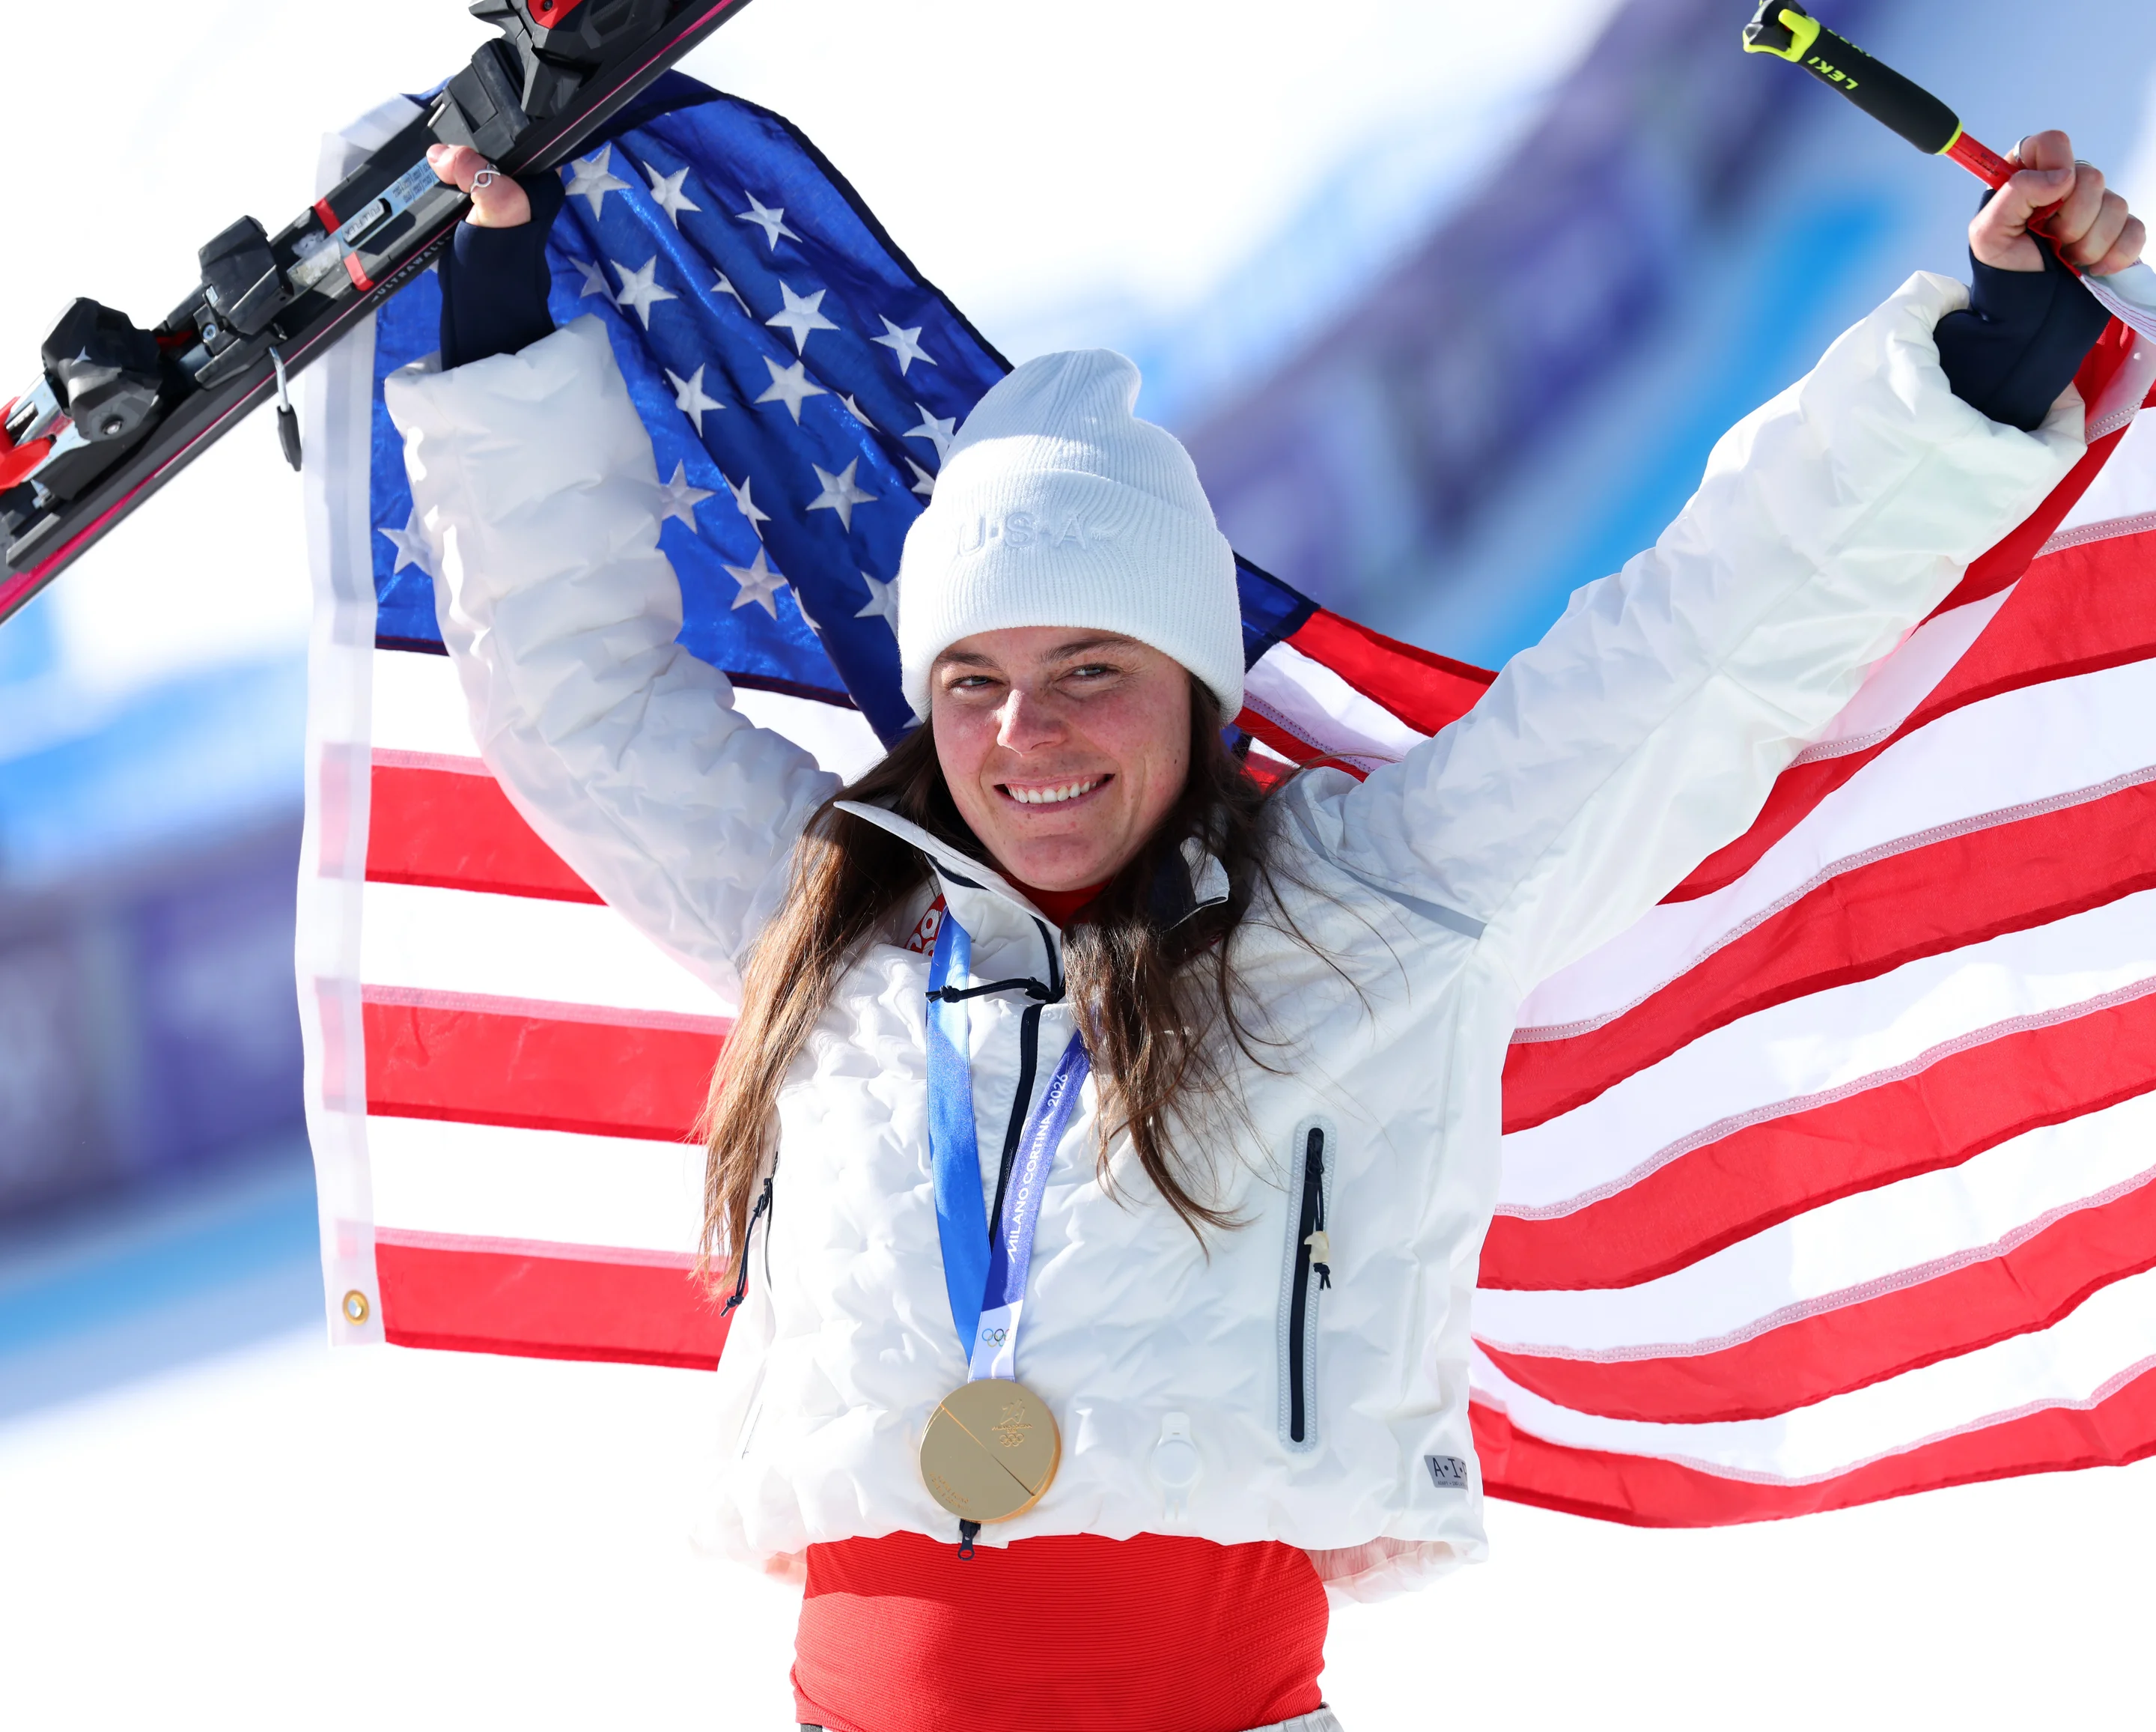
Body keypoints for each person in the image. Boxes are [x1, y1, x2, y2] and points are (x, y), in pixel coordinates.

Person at [392, 129, 2140, 1732]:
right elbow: (579, 704)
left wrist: (1969, 369)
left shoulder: (1382, 911)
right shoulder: (832, 919)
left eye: (1095, 671)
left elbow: (1689, 657)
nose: (1032, 733)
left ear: (1198, 692)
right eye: (978, 684)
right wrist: (498, 324)